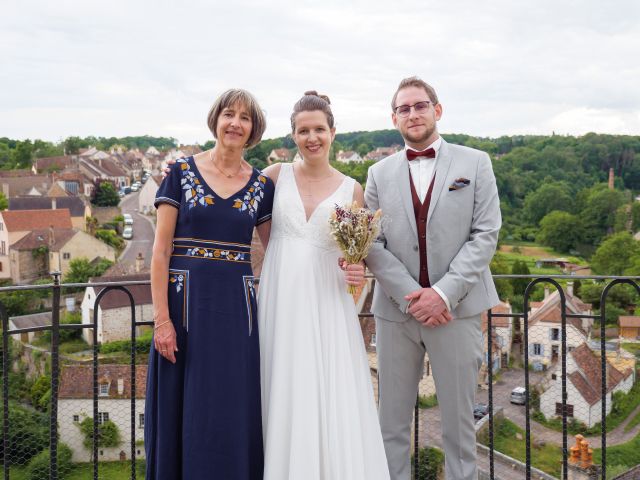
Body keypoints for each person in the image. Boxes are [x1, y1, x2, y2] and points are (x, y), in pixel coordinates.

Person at [364, 77, 501, 480]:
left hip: (456, 313)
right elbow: (372, 244)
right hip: (395, 314)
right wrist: (413, 295)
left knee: (460, 429)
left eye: (419, 105)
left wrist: (442, 294)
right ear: (394, 118)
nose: (413, 114)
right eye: (403, 109)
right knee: (391, 426)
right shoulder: (378, 173)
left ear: (437, 110)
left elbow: (486, 234)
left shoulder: (475, 163)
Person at [258, 91, 391, 480]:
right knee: (280, 382)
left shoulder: (352, 190)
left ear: (333, 133)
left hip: (327, 301)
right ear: (293, 136)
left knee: (327, 389)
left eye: (319, 129)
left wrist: (356, 270)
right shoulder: (274, 177)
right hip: (279, 297)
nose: (311, 137)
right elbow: (259, 233)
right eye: (303, 131)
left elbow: (358, 255)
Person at [145, 88, 274, 480]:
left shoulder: (263, 187)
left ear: (254, 130)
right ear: (215, 119)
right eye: (229, 114)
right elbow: (160, 252)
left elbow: (279, 251)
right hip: (183, 313)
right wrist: (162, 321)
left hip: (237, 316)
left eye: (245, 118)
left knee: (231, 405)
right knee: (183, 408)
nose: (236, 123)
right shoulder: (180, 174)